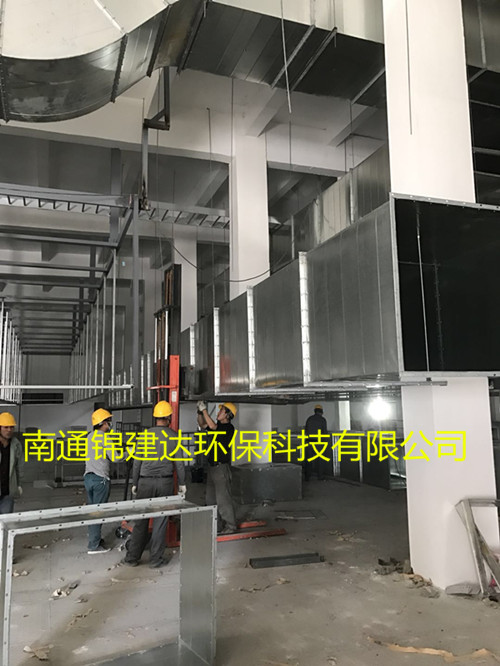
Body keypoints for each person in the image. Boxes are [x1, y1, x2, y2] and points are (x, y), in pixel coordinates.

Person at [124, 401, 187, 568]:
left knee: (141, 521)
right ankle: (155, 560)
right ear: (169, 418)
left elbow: (137, 462)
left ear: (156, 418)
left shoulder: (144, 436)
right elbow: (179, 464)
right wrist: (182, 483)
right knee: (160, 522)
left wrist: (135, 482)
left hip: (144, 482)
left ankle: (132, 558)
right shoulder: (174, 436)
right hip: (165, 482)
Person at [197, 401, 237, 534]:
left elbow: (212, 426)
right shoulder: (218, 426)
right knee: (211, 499)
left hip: (221, 469)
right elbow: (203, 425)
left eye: (221, 411)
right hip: (212, 468)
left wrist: (204, 410)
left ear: (228, 415)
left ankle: (230, 526)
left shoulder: (229, 428)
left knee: (223, 500)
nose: (218, 413)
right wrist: (199, 412)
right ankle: (217, 526)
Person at [84, 408, 113, 554]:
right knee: (98, 512)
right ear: (103, 423)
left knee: (92, 511)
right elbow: (115, 457)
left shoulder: (90, 436)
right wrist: (130, 452)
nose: (109, 424)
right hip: (100, 480)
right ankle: (94, 545)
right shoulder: (105, 438)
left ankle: (94, 539)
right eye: (108, 421)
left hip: (88, 478)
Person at [0, 412, 24, 514]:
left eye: (11, 427)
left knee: (6, 520)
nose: (9, 430)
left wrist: (19, 485)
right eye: (6, 427)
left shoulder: (16, 445)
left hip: (7, 492)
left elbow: (19, 467)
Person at [304, 404, 328, 481]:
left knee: (308, 460)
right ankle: (320, 476)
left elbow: (306, 430)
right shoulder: (322, 420)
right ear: (321, 412)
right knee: (320, 460)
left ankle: (307, 477)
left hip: (308, 442)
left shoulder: (309, 419)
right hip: (318, 443)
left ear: (315, 411)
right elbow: (325, 433)